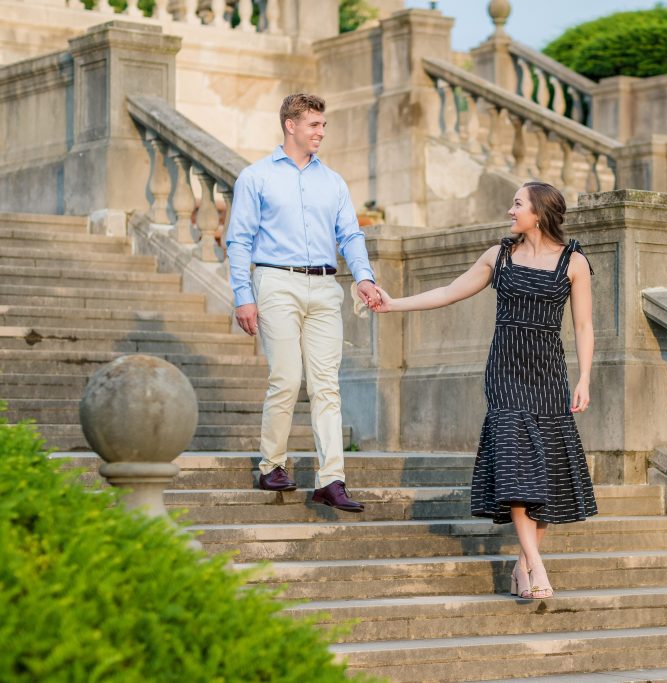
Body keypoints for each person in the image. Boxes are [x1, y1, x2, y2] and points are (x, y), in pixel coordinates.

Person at [372, 181, 598, 599]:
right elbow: (447, 292)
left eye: (517, 204)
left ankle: (521, 565)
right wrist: (393, 303)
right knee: (515, 466)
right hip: (506, 374)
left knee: (544, 475)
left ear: (539, 212)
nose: (510, 210)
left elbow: (584, 325)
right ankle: (538, 568)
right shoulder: (500, 256)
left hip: (548, 377)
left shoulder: (574, 263)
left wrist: (584, 378)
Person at [225, 93, 381, 513]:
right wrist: (244, 296)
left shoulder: (332, 181)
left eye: (323, 125)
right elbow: (238, 240)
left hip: (326, 287)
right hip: (275, 281)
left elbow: (350, 235)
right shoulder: (256, 177)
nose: (321, 132)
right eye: (314, 125)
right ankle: (271, 464)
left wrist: (364, 278)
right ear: (290, 125)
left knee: (327, 385)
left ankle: (331, 479)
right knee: (287, 377)